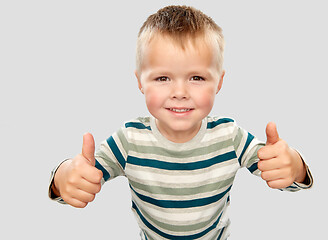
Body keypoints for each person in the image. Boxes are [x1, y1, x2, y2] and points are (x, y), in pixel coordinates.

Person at [48, 5, 313, 240]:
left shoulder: (230, 137)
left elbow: (281, 174)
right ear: (140, 81)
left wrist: (295, 165)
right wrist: (65, 176)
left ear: (219, 82)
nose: (180, 92)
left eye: (196, 77)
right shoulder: (129, 140)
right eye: (162, 78)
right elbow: (80, 178)